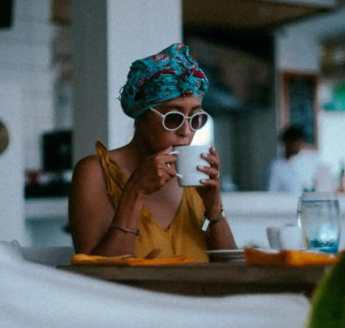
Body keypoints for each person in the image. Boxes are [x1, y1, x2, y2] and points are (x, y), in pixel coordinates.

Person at [68, 43, 236, 262]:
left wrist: (214, 209)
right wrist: (134, 192)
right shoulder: (96, 172)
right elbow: (94, 274)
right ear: (142, 117)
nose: (186, 131)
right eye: (173, 118)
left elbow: (231, 269)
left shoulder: (193, 178)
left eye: (196, 119)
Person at [266, 126, 312, 192]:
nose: (300, 145)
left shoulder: (301, 163)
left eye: (301, 142)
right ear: (288, 142)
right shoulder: (276, 166)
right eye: (297, 142)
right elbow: (272, 192)